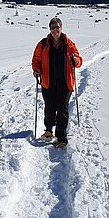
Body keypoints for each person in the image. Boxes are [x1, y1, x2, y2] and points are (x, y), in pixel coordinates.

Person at [32, 17, 82, 148]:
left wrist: (75, 61)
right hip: (48, 82)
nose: (55, 30)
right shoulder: (43, 44)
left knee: (62, 109)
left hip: (65, 83)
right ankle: (48, 130)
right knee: (49, 107)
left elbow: (79, 60)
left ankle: (61, 137)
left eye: (57, 27)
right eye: (53, 28)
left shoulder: (69, 44)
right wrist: (36, 70)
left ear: (61, 28)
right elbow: (36, 60)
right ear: (50, 29)